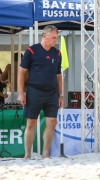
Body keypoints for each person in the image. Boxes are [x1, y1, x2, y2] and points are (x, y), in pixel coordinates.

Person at [17, 25, 64, 159]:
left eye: (57, 37)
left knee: (52, 121)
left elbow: (58, 75)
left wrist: (60, 95)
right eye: (54, 37)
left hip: (51, 93)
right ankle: (27, 155)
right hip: (34, 92)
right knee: (31, 123)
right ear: (45, 36)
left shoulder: (57, 53)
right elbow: (21, 72)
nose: (56, 40)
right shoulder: (31, 51)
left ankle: (45, 154)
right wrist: (21, 93)